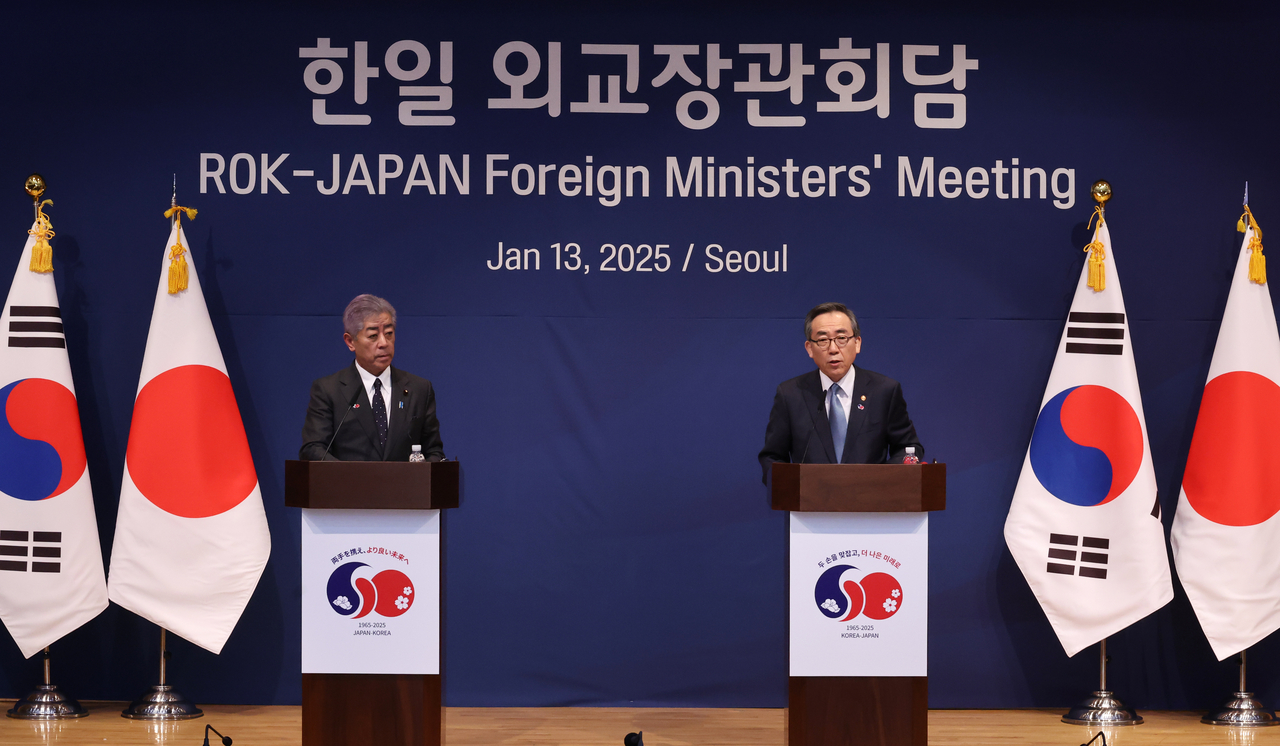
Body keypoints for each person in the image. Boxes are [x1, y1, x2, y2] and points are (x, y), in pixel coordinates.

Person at [758, 302, 923, 483]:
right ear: (809, 348)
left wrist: (882, 480)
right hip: (809, 505)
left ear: (857, 343)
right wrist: (787, 485)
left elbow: (908, 447)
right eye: (822, 340)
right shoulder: (790, 394)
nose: (833, 349)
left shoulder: (884, 390)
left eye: (841, 338)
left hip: (871, 503)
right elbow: (772, 457)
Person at [300, 294, 445, 461]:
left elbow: (434, 452)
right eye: (373, 336)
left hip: (404, 486)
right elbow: (313, 449)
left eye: (389, 333)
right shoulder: (328, 390)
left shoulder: (419, 389)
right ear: (350, 342)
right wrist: (354, 477)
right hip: (349, 485)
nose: (384, 343)